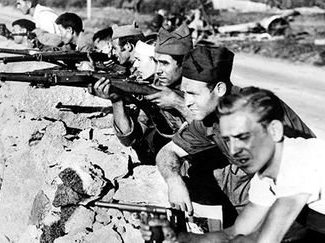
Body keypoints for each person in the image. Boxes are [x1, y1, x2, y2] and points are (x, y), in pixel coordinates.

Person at [152, 45, 315, 230]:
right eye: (185, 92)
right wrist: (174, 181)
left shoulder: (256, 111)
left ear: (219, 89)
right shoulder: (208, 119)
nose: (187, 102)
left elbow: (297, 170)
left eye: (193, 94)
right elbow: (167, 152)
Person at [142, 87, 325, 242]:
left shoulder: (298, 160)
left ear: (275, 130)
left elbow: (264, 239)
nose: (234, 149)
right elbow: (234, 233)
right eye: (228, 139)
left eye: (243, 136)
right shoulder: (264, 178)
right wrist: (178, 236)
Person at [90, 25, 193, 164]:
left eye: (164, 64)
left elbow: (214, 135)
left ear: (184, 64)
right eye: (156, 62)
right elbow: (130, 138)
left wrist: (178, 103)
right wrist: (116, 101)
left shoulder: (205, 89)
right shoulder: (158, 89)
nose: (158, 70)